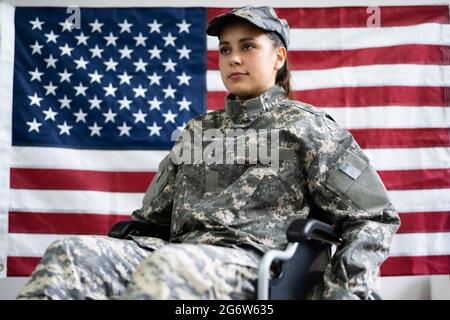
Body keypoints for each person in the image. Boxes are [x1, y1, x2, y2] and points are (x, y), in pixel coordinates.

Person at [17, 5, 400, 300]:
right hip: (178, 253)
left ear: (278, 57)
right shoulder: (199, 131)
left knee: (169, 267)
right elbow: (149, 221)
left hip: (255, 265)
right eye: (225, 49)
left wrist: (343, 291)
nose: (234, 58)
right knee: (71, 254)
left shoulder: (310, 128)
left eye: (248, 46)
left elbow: (374, 218)